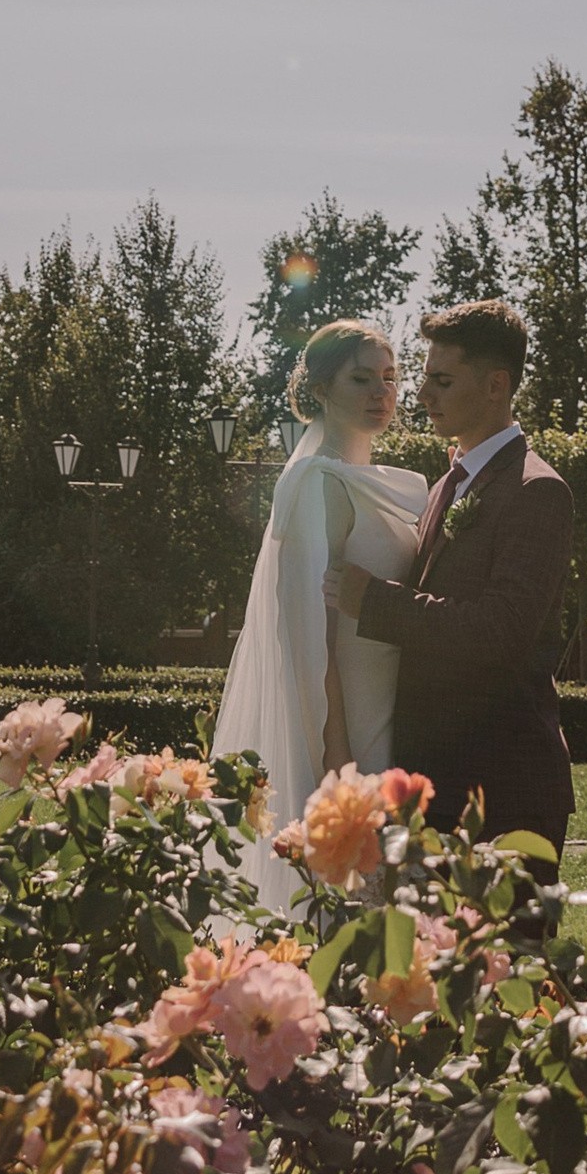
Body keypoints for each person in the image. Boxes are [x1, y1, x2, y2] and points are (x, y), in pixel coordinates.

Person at [325, 297, 574, 857]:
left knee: (510, 950)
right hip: (437, 786)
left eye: (441, 380)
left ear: (495, 386)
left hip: (505, 788)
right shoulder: (444, 485)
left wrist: (376, 602)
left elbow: (500, 631)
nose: (421, 395)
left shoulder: (537, 491)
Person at [213, 318, 426, 908]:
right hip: (353, 722)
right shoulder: (316, 485)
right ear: (321, 389)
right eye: (361, 379)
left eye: (390, 378)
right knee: (357, 893)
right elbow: (308, 637)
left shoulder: (380, 483)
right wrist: (337, 755)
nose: (381, 393)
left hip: (400, 703)